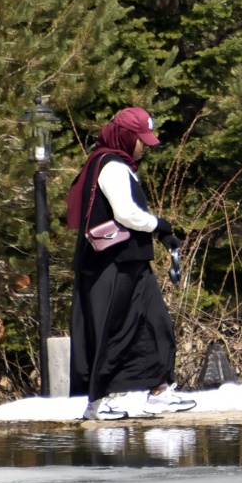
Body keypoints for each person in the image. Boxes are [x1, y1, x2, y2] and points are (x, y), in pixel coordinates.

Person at [67, 107, 196, 420]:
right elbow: (125, 213)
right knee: (113, 329)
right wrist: (160, 225)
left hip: (132, 262)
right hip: (111, 265)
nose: (145, 147)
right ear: (125, 136)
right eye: (141, 140)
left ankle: (160, 391)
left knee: (155, 323)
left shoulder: (119, 164)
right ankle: (97, 404)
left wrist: (162, 235)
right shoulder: (110, 165)